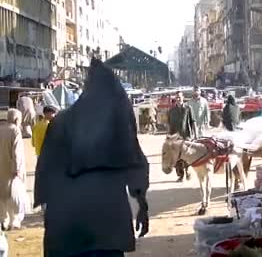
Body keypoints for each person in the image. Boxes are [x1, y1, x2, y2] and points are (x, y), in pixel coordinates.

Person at [34, 58, 149, 257]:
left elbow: (45, 169)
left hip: (66, 227)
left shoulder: (60, 122)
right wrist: (142, 205)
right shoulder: (116, 126)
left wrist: (47, 206)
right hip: (107, 226)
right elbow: (135, 164)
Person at [0, 109, 25, 231]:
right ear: (16, 119)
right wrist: (17, 169)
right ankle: (14, 220)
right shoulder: (15, 130)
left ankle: (3, 220)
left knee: (1, 195)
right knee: (13, 195)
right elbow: (17, 153)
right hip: (11, 168)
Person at [168, 91, 196, 182]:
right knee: (177, 158)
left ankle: (187, 171)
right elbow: (169, 125)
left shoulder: (188, 108)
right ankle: (180, 175)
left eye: (180, 97)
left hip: (186, 136)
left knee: (187, 156)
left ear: (183, 97)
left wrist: (195, 135)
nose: (178, 99)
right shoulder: (171, 111)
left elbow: (193, 122)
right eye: (177, 97)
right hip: (176, 138)